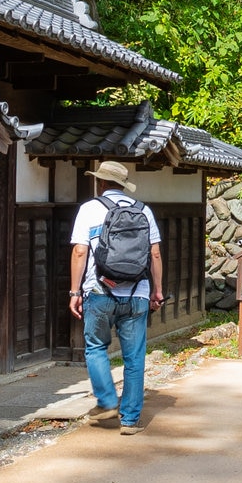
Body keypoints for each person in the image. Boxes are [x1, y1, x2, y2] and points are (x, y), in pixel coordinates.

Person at [68, 160, 164, 434]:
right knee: (134, 358)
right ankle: (130, 421)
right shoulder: (144, 210)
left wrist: (75, 291)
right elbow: (155, 253)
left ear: (100, 182)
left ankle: (108, 401)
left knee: (96, 347)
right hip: (138, 293)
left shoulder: (89, 209)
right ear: (123, 184)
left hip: (98, 292)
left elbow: (79, 252)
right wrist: (157, 291)